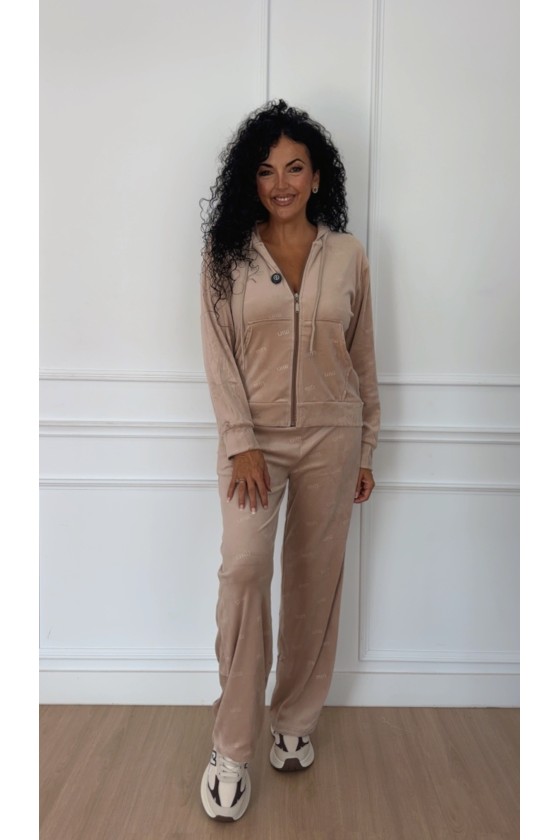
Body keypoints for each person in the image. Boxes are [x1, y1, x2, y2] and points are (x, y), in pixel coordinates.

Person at [199, 99, 381, 822]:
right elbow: (218, 356)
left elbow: (363, 357)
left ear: (317, 177)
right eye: (267, 170)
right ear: (251, 180)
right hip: (255, 441)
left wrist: (366, 446)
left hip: (334, 437)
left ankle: (296, 721)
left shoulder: (349, 254)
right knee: (245, 570)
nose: (281, 183)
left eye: (295, 168)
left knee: (314, 579)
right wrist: (241, 440)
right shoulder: (227, 257)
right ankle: (231, 745)